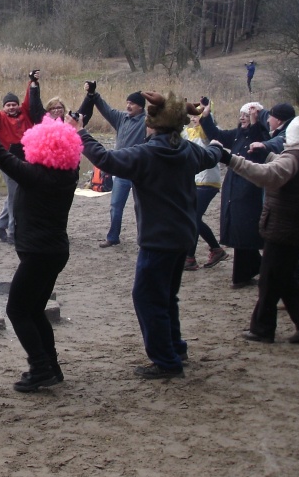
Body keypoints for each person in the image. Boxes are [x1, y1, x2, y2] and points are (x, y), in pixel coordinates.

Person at [71, 91, 222, 379]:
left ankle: (166, 361)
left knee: (147, 299)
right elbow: (211, 155)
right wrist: (216, 145)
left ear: (152, 126)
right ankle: (176, 348)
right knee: (167, 297)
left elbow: (105, 158)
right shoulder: (188, 150)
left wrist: (81, 132)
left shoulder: (146, 153)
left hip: (158, 241)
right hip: (183, 237)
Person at [0, 105, 81, 392]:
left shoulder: (36, 177)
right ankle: (51, 367)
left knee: (17, 310)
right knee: (34, 310)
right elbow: (13, 154)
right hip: (54, 251)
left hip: (38, 253)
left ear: (42, 148)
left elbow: (2, 156)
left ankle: (39, 367)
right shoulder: (68, 175)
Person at [215, 116, 299, 344]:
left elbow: (267, 175)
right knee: (281, 276)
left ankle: (262, 329)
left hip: (285, 228)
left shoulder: (295, 159)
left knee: (270, 280)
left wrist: (230, 159)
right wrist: (265, 155)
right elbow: (282, 168)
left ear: (293, 137)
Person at [200, 100, 270, 288]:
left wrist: (255, 121)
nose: (242, 118)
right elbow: (216, 134)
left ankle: (244, 275)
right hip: (234, 188)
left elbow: (261, 136)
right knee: (240, 231)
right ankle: (250, 271)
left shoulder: (260, 135)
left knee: (245, 230)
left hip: (250, 189)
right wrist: (206, 116)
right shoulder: (239, 134)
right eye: (241, 115)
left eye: (246, 115)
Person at [0, 69, 43, 244]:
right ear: (4, 107)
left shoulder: (25, 113)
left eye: (14, 104)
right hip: (8, 162)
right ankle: (13, 232)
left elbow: (29, 98)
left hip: (26, 161)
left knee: (15, 194)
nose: (12, 107)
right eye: (8, 105)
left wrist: (32, 81)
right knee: (15, 195)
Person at [79, 82, 146, 247]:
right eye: (128, 102)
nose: (128, 106)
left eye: (132, 103)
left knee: (142, 208)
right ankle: (113, 237)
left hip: (140, 172)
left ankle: (144, 238)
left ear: (141, 107)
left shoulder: (147, 122)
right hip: (122, 170)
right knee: (116, 206)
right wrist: (93, 94)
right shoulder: (122, 118)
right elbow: (106, 109)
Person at [182, 113, 228, 271]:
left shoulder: (210, 132)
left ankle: (190, 257)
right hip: (196, 180)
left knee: (193, 218)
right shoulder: (191, 132)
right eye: (193, 117)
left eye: (198, 117)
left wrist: (205, 118)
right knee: (194, 218)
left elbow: (207, 134)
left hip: (208, 181)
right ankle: (216, 250)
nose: (194, 119)